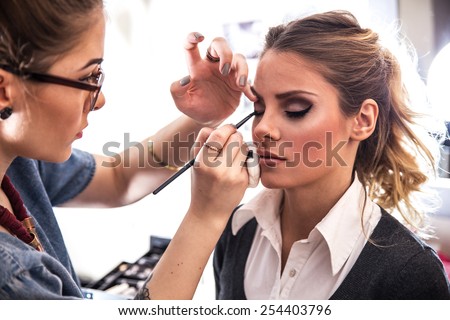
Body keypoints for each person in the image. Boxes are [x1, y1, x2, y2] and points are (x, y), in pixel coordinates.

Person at [0, 0, 255, 299]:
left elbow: (119, 179)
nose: (100, 99)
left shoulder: (17, 161)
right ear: (4, 91)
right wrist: (206, 215)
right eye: (87, 78)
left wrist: (204, 117)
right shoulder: (12, 277)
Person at [210, 10, 450, 299]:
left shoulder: (411, 274)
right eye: (259, 109)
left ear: (362, 120)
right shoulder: (236, 229)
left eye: (296, 109)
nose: (262, 128)